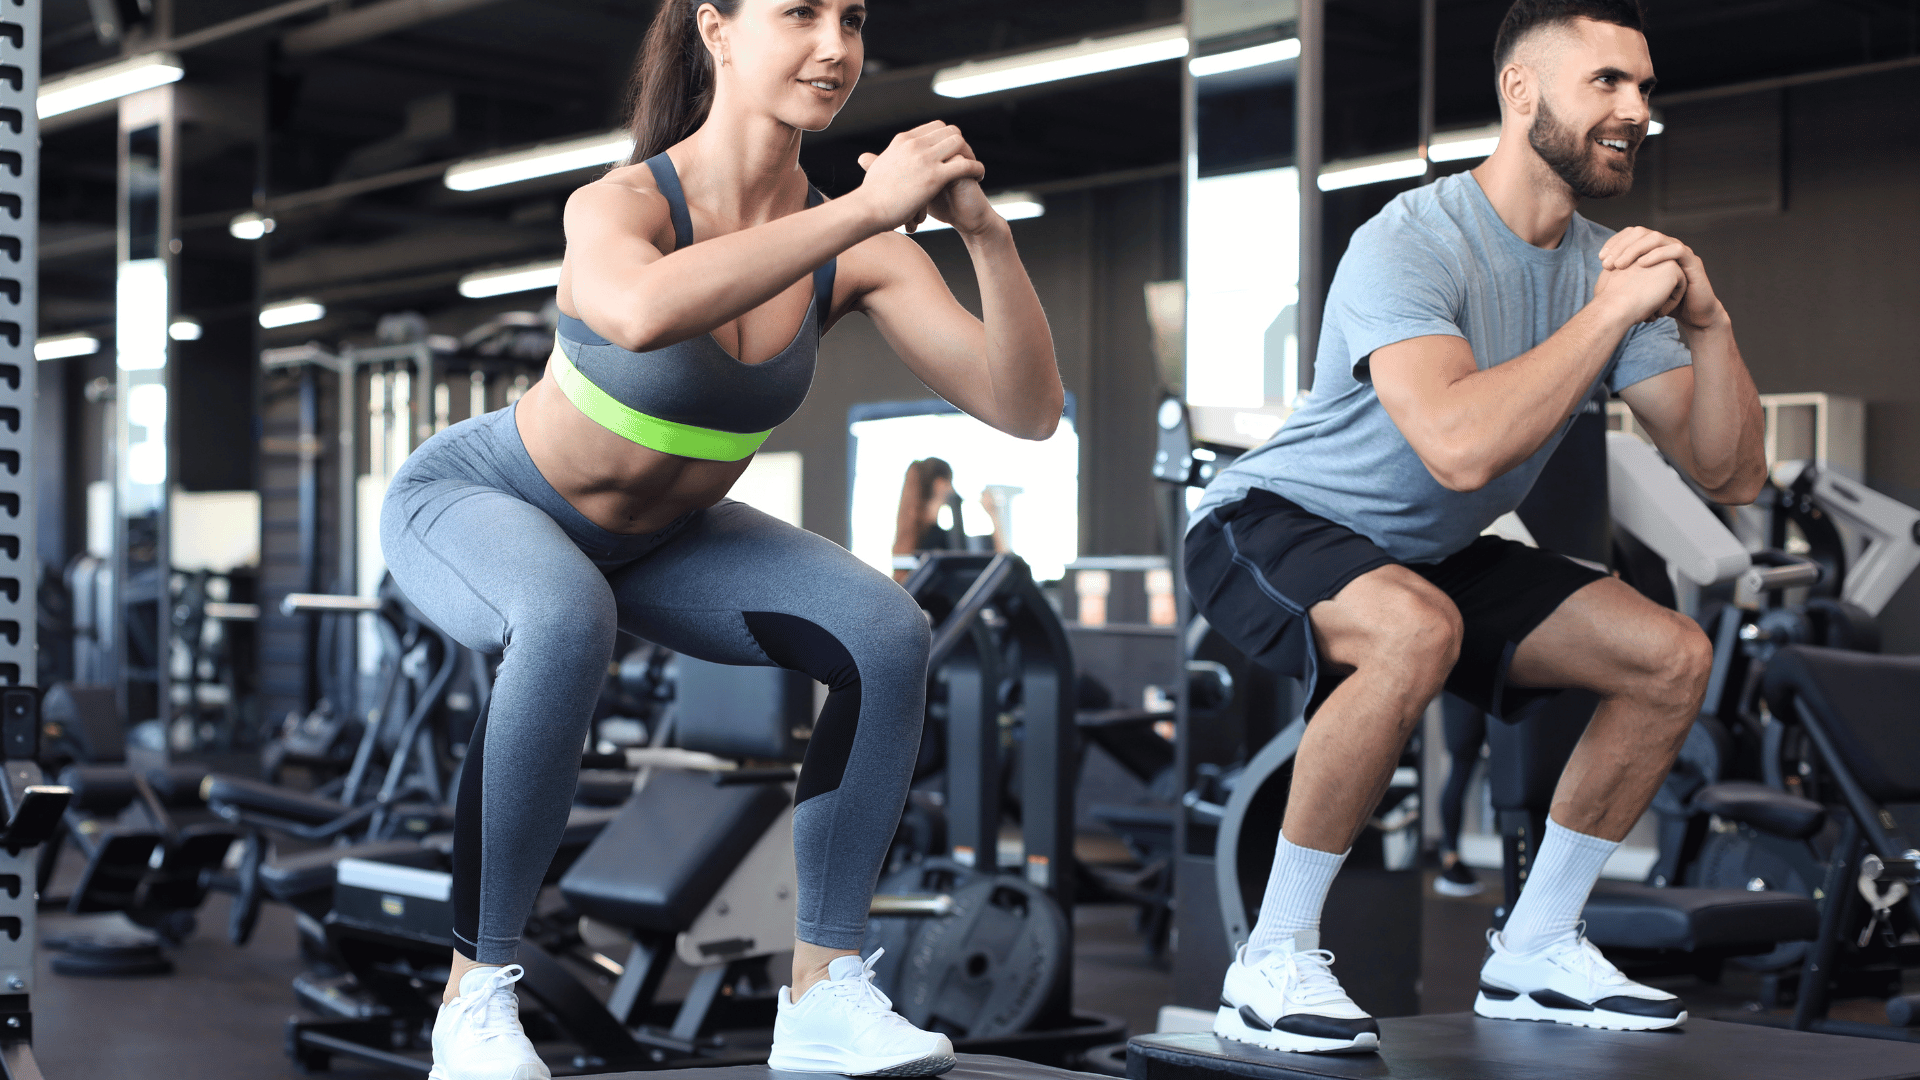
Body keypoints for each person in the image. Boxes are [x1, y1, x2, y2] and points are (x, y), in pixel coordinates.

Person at [379, 1, 1061, 1076]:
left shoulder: (860, 250)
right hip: (482, 500)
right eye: (799, 12)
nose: (835, 45)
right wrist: (869, 208)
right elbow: (644, 312)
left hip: (667, 538)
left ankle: (824, 990)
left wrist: (987, 235)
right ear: (719, 29)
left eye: (853, 17)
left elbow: (1025, 407)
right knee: (563, 614)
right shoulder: (620, 204)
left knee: (887, 630)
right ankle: (472, 997)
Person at [1184, 0, 1765, 1054]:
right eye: (1608, 84)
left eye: (1645, 88)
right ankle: (1270, 959)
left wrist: (1707, 323)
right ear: (1521, 90)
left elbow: (1732, 469)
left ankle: (1537, 946)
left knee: (1670, 656)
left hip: (1427, 549)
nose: (1637, 110)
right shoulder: (1412, 240)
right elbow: (1458, 446)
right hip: (1273, 521)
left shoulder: (1603, 268)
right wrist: (1608, 314)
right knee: (1414, 629)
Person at [1433, 694, 1488, 897]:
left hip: (1475, 694)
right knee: (1459, 773)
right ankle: (1450, 858)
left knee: (1460, 773)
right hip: (1464, 696)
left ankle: (1450, 856)